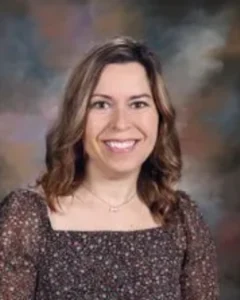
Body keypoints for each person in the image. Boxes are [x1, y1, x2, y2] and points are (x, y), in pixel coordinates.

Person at [0, 36, 219, 299]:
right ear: (77, 116)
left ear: (160, 117)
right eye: (101, 104)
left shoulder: (182, 219)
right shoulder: (26, 216)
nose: (121, 123)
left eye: (138, 104)